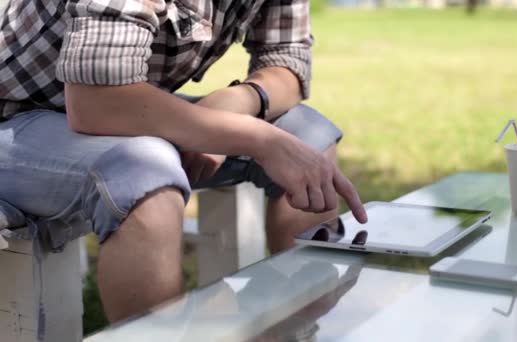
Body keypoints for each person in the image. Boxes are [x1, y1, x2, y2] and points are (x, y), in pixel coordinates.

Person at [0, 0, 368, 322]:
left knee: (308, 135)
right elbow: (98, 101)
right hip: (16, 119)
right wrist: (253, 136)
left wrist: (238, 102)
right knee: (146, 170)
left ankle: (291, 328)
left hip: (116, 112)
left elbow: (289, 61)